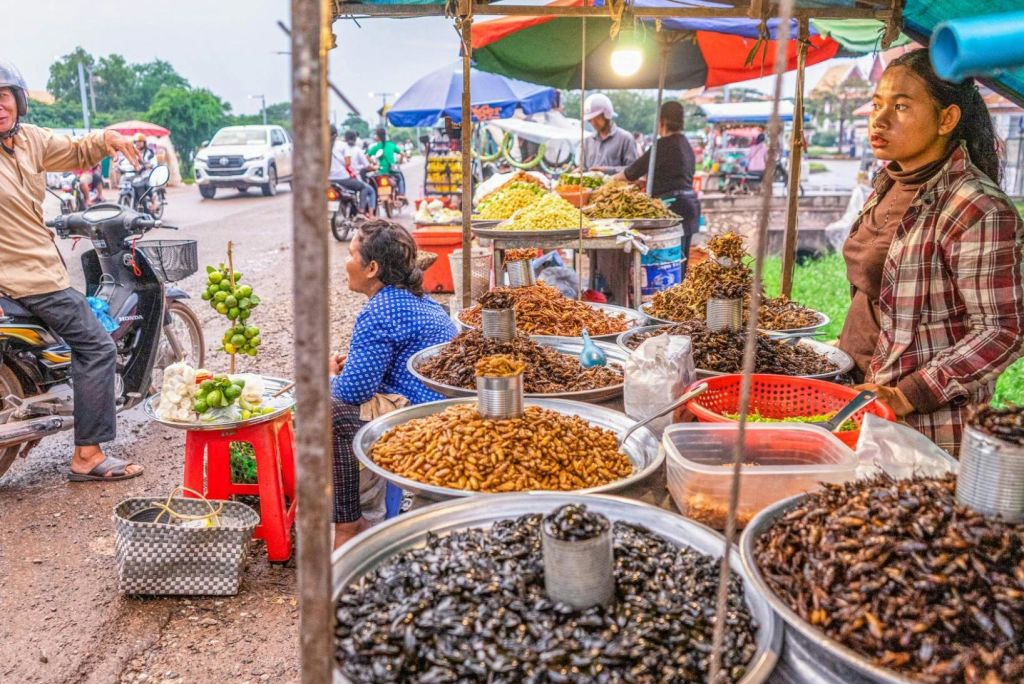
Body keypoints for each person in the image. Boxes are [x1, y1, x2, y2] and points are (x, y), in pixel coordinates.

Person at [835, 48, 1024, 456]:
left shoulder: (977, 208)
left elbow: (1003, 330)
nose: (879, 119)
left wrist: (908, 394)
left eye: (901, 106)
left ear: (946, 119)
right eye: (877, 104)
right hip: (854, 395)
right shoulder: (888, 183)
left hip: (920, 428)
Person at [0, 60, 144, 481]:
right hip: (28, 280)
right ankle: (87, 456)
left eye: (3, 96)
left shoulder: (29, 142)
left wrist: (108, 138)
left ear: (18, 101)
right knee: (97, 346)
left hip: (37, 270)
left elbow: (77, 149)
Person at [329, 220, 457, 547]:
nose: (345, 261)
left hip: (423, 418)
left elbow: (352, 392)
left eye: (350, 253)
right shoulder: (413, 300)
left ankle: (349, 524)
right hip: (438, 407)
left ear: (371, 268)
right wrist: (352, 365)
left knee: (327, 410)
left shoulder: (381, 309)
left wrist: (330, 377)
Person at [615, 101, 701, 279]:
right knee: (679, 263)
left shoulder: (663, 145)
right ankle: (677, 298)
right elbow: (673, 175)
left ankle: (665, 299)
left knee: (664, 265)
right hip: (689, 207)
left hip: (672, 209)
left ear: (661, 122)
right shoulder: (686, 145)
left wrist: (608, 181)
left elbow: (631, 173)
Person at [577, 93, 638, 173]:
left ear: (607, 115)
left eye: (597, 118)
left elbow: (633, 170)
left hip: (616, 185)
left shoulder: (626, 139)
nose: (594, 123)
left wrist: (607, 170)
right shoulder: (586, 142)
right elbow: (583, 168)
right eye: (590, 120)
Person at [329, 125, 376, 216]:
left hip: (326, 180)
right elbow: (347, 163)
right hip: (343, 179)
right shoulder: (343, 145)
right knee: (364, 188)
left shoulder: (319, 145)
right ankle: (361, 211)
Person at [367, 128, 406, 197]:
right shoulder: (391, 145)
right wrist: (400, 161)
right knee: (400, 179)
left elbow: (367, 156)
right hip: (392, 170)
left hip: (381, 171)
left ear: (377, 137)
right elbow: (402, 154)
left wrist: (373, 163)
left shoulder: (376, 147)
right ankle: (401, 194)